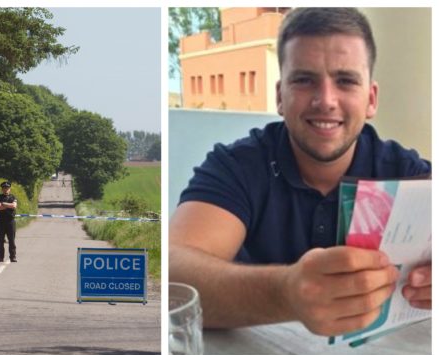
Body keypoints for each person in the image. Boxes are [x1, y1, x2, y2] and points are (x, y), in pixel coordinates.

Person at [169, 7, 431, 336]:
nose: (326, 100)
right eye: (304, 80)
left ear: (371, 99)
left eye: (346, 81)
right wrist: (286, 293)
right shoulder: (235, 167)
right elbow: (170, 272)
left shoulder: (408, 173)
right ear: (280, 96)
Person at [0, 181, 18, 262]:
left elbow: (14, 206)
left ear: (10, 189)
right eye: (4, 188)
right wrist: (9, 206)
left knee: (11, 240)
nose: (6, 189)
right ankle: (0, 257)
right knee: (0, 240)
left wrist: (3, 204)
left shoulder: (13, 197)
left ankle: (13, 257)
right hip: (1, 221)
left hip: (10, 221)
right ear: (2, 189)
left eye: (7, 188)